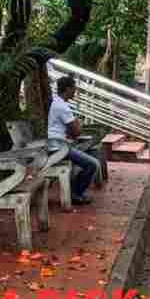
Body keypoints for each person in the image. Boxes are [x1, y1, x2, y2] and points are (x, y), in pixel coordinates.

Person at [47, 75, 102, 206]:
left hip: (61, 145)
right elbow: (76, 131)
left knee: (93, 153)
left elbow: (73, 132)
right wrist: (77, 123)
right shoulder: (62, 107)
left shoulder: (58, 103)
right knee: (93, 164)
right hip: (59, 149)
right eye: (74, 89)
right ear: (67, 89)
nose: (75, 92)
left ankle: (75, 189)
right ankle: (75, 194)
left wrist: (75, 126)